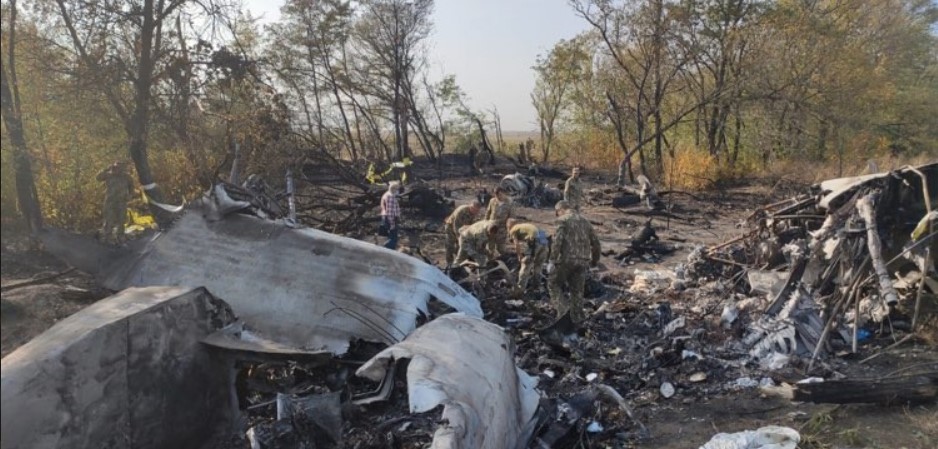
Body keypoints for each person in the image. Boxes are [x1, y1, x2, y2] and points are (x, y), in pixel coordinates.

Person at [548, 200, 601, 323]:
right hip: (583, 261)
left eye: (557, 213)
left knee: (553, 284)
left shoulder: (562, 220)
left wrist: (552, 260)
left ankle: (563, 313)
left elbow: (557, 242)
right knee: (577, 291)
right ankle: (577, 318)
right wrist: (594, 261)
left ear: (560, 209)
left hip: (567, 260)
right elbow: (596, 243)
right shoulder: (585, 221)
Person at [96, 160, 135, 243]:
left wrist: (130, 196)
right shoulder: (109, 175)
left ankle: (120, 236)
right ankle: (107, 237)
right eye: (116, 167)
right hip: (110, 201)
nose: (118, 170)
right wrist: (106, 169)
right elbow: (98, 178)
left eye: (120, 168)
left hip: (122, 201)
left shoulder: (127, 177)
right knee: (109, 219)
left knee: (121, 220)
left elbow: (132, 188)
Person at [509, 220, 549, 297]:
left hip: (535, 241)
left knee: (526, 266)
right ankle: (536, 286)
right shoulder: (526, 226)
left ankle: (520, 289)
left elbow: (516, 244)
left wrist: (519, 255)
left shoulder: (513, 229)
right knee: (538, 266)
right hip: (544, 241)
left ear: (509, 226)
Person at [444, 200, 483, 266]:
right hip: (451, 227)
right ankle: (449, 263)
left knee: (460, 246)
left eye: (477, 211)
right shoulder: (462, 210)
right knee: (450, 245)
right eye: (474, 210)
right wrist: (458, 237)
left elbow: (471, 225)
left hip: (462, 229)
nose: (475, 212)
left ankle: (458, 263)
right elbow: (456, 225)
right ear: (471, 206)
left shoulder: (474, 213)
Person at [484, 186, 513, 255]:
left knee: (501, 248)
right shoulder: (492, 201)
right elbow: (488, 212)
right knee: (490, 247)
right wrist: (485, 223)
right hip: (491, 227)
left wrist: (510, 230)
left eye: (500, 195)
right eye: (496, 195)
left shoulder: (509, 203)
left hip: (502, 229)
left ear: (503, 193)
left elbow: (512, 217)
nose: (498, 197)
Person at [380, 181, 402, 249]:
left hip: (385, 217)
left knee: (388, 236)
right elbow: (390, 211)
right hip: (391, 219)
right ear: (394, 189)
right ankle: (387, 249)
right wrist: (392, 224)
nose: (398, 191)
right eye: (397, 189)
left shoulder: (386, 194)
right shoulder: (391, 197)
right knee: (393, 238)